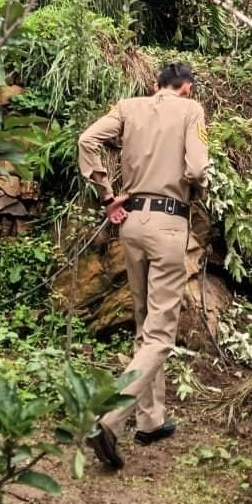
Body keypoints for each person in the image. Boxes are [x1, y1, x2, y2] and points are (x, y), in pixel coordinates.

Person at [77, 62, 209, 469]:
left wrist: (106, 193)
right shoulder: (191, 110)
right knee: (161, 333)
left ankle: (150, 420)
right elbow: (197, 168)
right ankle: (109, 418)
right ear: (186, 88)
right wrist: (198, 186)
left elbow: (87, 140)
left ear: (156, 85)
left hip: (131, 222)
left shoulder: (128, 107)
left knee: (144, 323)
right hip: (168, 223)